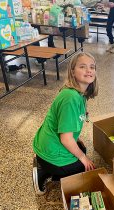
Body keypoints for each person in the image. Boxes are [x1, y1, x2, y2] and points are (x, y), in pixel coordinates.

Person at [32, 52, 98, 195]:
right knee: (83, 166)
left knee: (81, 149)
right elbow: (66, 139)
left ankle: (48, 166)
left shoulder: (79, 93)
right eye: (83, 66)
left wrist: (78, 144)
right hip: (51, 151)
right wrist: (83, 158)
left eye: (92, 67)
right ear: (72, 72)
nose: (89, 70)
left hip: (48, 143)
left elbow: (68, 127)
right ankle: (43, 171)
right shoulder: (71, 98)